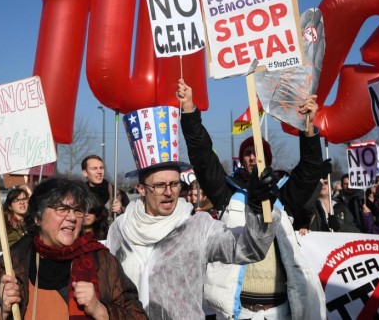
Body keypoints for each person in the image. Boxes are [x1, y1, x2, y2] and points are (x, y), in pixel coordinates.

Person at [107, 105, 280, 319]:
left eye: (175, 184)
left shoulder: (197, 226)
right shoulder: (120, 229)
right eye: (160, 186)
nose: (169, 192)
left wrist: (258, 208)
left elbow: (249, 248)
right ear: (141, 189)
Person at [177, 79, 326, 320]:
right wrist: (189, 111)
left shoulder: (283, 195)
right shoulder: (226, 193)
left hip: (281, 311)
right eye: (247, 153)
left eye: (258, 153)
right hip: (239, 312)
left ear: (268, 161)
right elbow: (203, 157)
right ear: (241, 160)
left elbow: (310, 170)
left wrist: (308, 128)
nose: (252, 158)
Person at [0, 178, 147, 319]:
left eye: (77, 210)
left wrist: (100, 310)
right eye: (62, 209)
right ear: (38, 217)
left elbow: (137, 316)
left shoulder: (102, 261)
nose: (72, 217)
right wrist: (2, 312)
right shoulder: (11, 264)